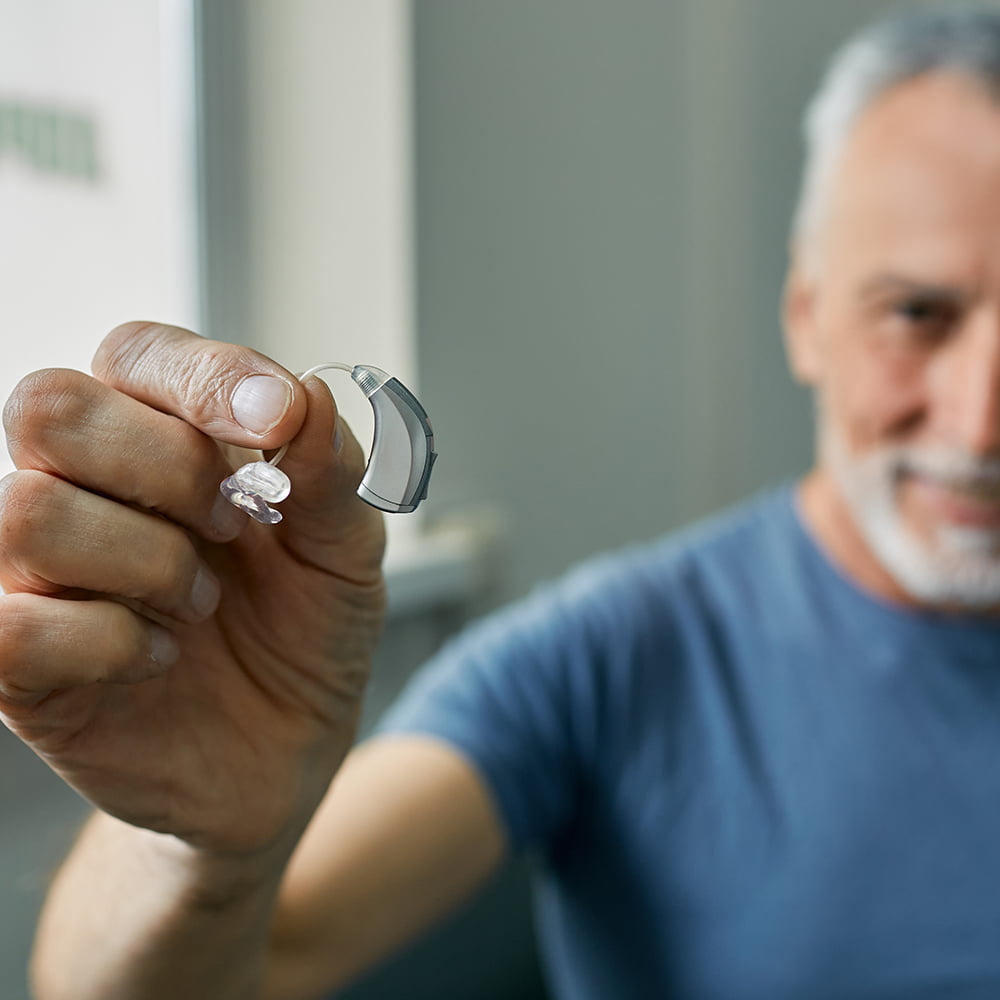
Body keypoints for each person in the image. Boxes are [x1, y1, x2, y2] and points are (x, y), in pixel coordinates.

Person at [6, 5, 1000, 998]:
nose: (979, 422)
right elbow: (199, 974)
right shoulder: (614, 655)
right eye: (916, 313)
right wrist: (205, 851)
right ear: (806, 319)